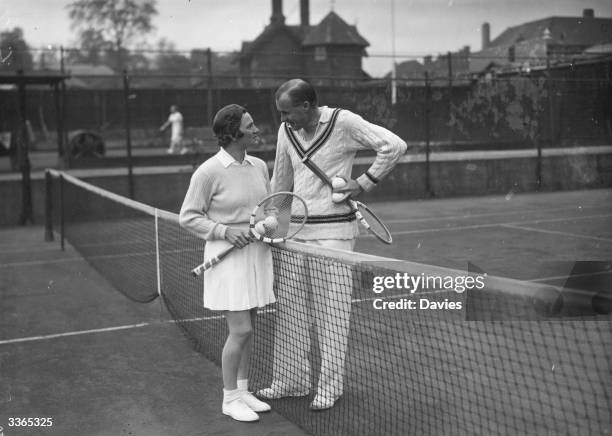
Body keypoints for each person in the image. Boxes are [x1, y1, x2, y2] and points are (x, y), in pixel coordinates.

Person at [257, 79, 407, 410]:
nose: (284, 120)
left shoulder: (344, 122)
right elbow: (281, 180)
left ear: (307, 106)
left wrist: (362, 183)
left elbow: (394, 145)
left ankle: (329, 387)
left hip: (334, 235)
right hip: (295, 234)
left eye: (288, 112)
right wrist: (273, 223)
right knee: (291, 312)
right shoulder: (286, 132)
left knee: (332, 315)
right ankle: (290, 380)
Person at [179, 104, 275, 422]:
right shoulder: (207, 172)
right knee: (241, 330)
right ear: (233, 134)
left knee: (251, 327)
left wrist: (269, 223)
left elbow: (269, 206)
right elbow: (189, 216)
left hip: (256, 255)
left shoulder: (259, 165)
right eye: (250, 126)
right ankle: (229, 397)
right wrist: (225, 231)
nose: (256, 129)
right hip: (226, 259)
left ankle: (244, 390)